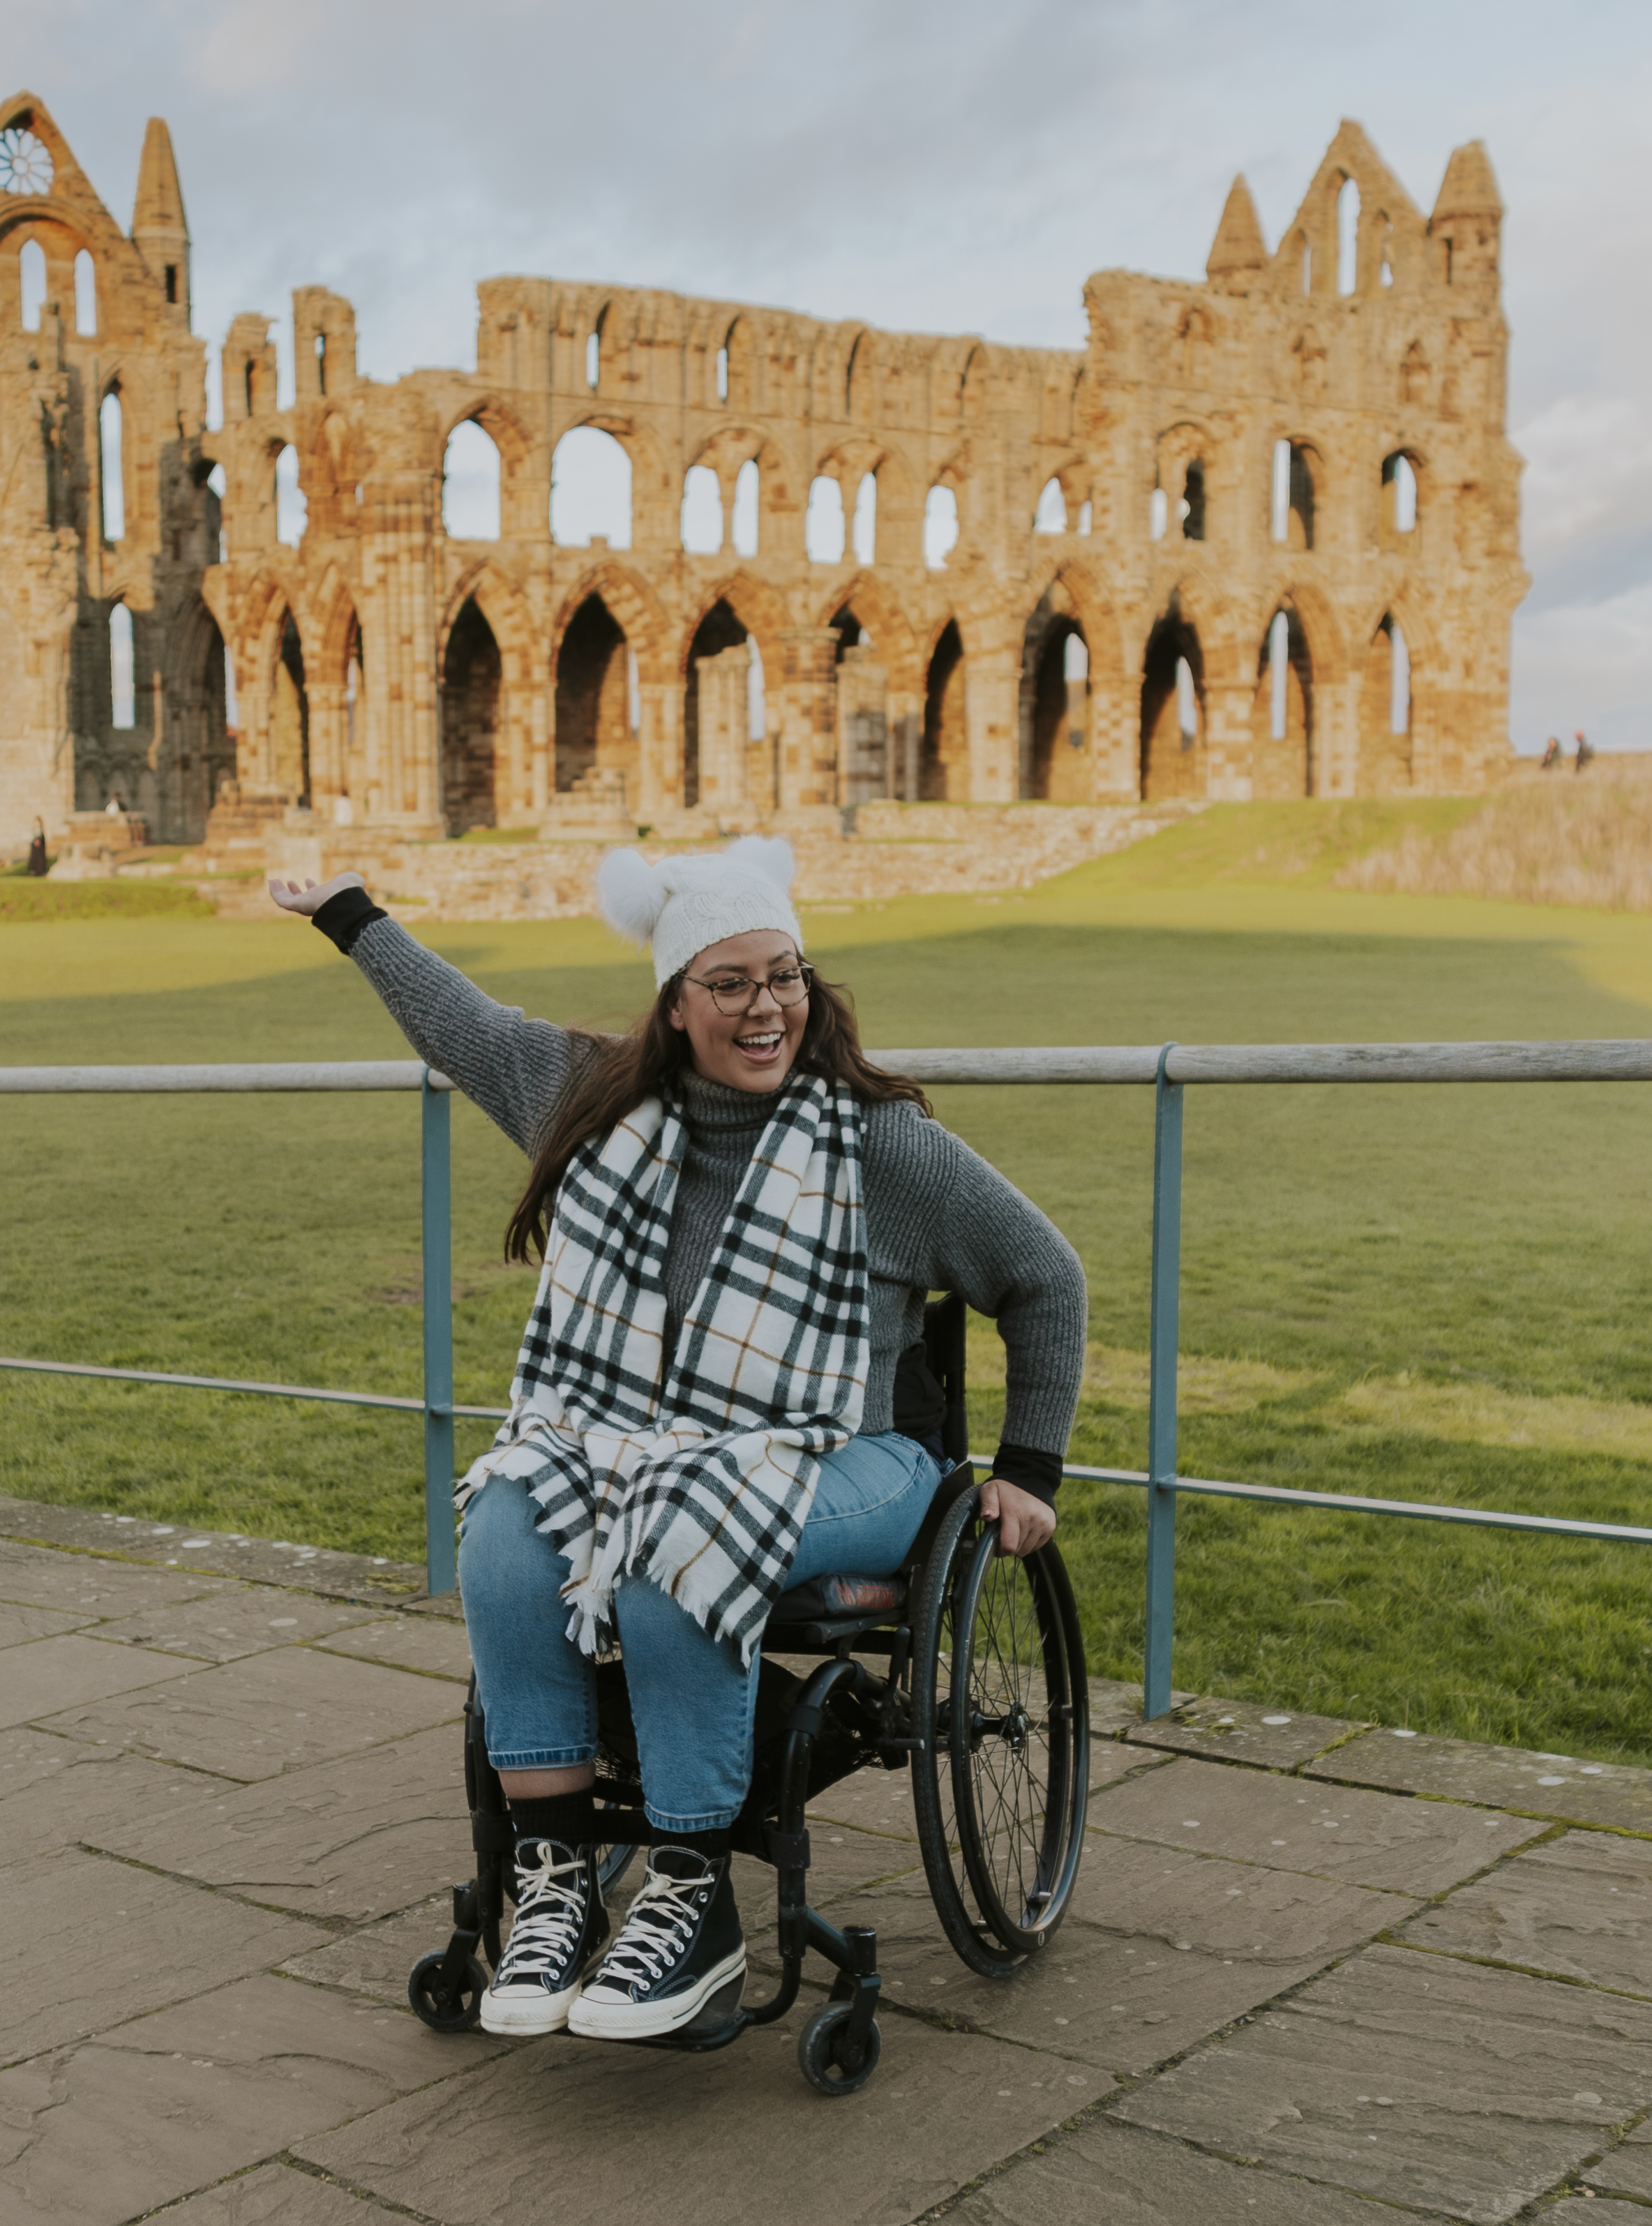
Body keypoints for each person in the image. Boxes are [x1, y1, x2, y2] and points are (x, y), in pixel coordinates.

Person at [269, 836, 1086, 2046]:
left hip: (856, 1460)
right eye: (734, 983)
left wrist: (1029, 1470)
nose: (770, 1009)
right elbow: (464, 1026)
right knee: (508, 1506)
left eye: (787, 976)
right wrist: (348, 913)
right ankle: (550, 1878)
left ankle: (694, 1896)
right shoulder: (597, 1102)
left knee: (673, 1523)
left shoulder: (878, 1147)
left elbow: (1045, 1275)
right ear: (676, 1001)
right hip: (647, 1454)